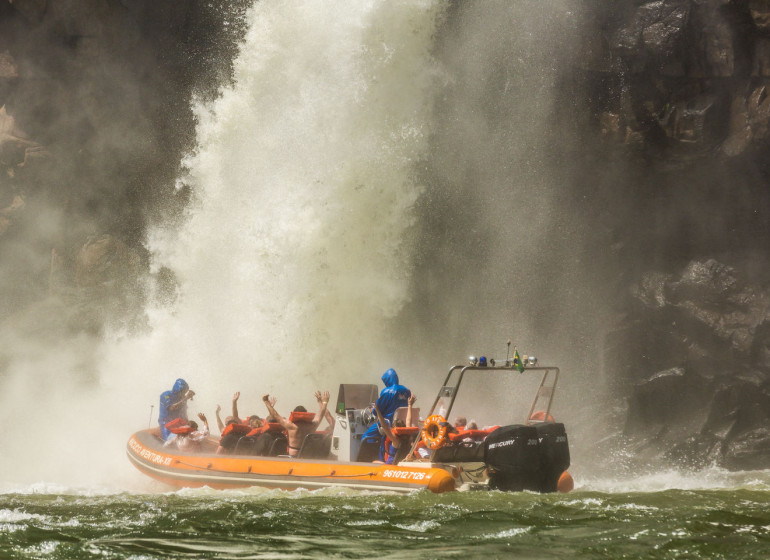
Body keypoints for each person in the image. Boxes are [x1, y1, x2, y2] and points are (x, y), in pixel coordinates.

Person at [362, 368, 411, 461]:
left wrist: (373, 409)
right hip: (402, 423)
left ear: (388, 380)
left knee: (366, 436)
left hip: (387, 423)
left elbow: (377, 411)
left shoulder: (387, 391)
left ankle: (365, 460)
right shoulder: (406, 390)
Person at [261, 391, 330, 457]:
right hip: (306, 455)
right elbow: (321, 414)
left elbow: (275, 415)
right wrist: (324, 402)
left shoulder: (291, 426)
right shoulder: (312, 426)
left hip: (293, 456)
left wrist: (266, 401)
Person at [373, 394, 416, 464]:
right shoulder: (408, 437)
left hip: (391, 465)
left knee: (374, 462)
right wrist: (410, 405)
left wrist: (378, 411)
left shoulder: (395, 440)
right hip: (400, 464)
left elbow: (384, 426)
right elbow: (408, 420)